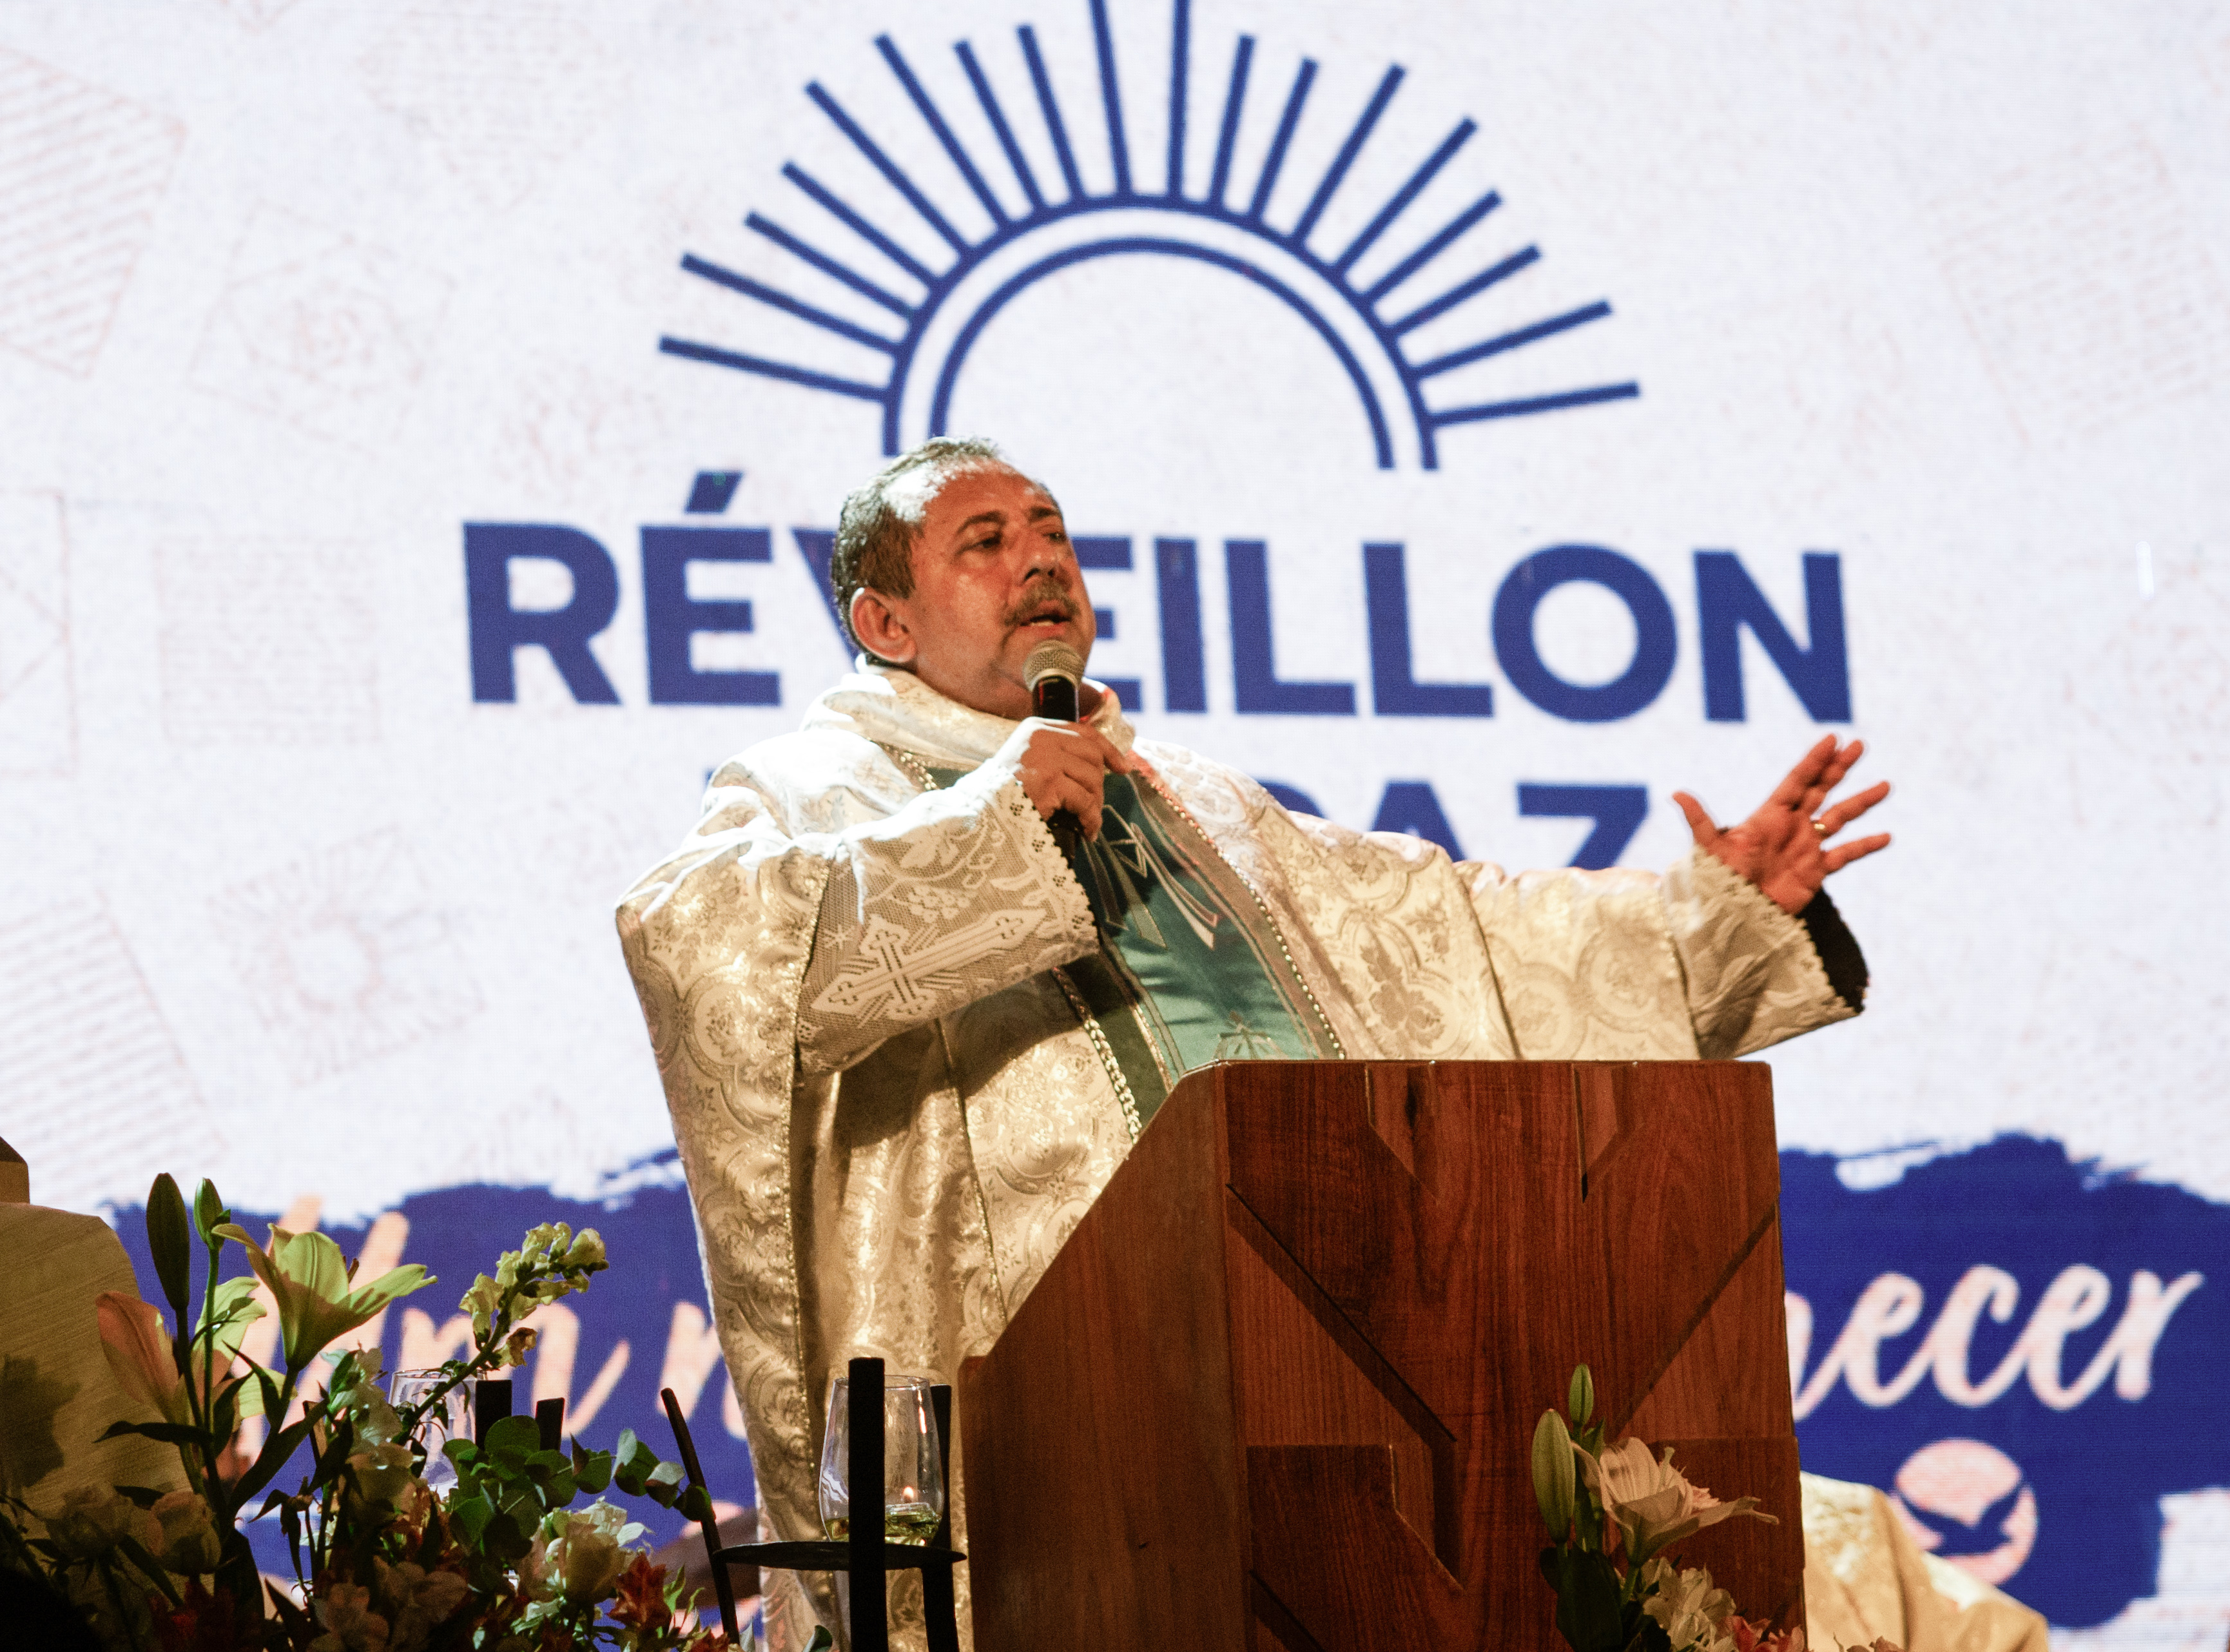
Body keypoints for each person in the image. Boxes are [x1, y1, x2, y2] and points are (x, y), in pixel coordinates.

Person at [616, 438, 1890, 1646]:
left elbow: (1454, 934)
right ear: (883, 622)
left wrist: (1708, 922)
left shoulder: (1196, 797)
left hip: (1322, 1377)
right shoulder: (813, 789)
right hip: (1046, 1425)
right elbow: (701, 948)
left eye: (1053, 531)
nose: (1041, 559)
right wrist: (982, 848)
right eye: (985, 540)